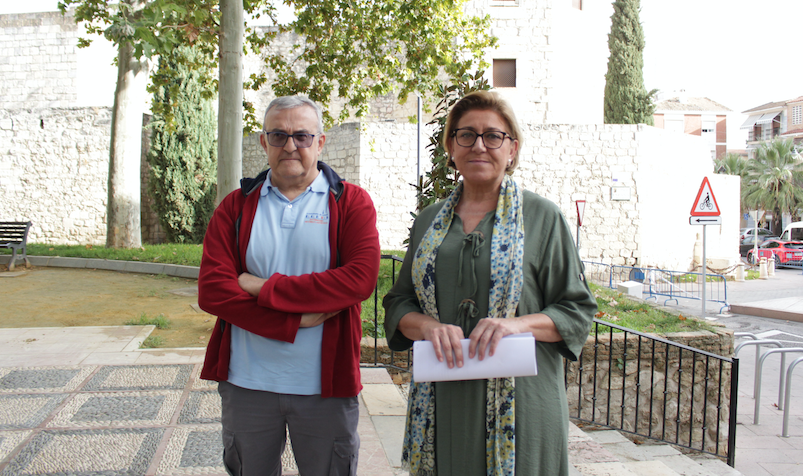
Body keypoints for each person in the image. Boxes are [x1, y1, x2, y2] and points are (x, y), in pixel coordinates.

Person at [383, 90, 597, 475]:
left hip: (522, 407)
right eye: (466, 135)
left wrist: (515, 325)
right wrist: (429, 326)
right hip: (442, 404)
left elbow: (576, 309)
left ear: (512, 148)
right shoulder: (428, 222)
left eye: (493, 136)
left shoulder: (543, 217)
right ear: (451, 147)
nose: (479, 145)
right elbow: (400, 304)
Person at [199, 95, 381, 476]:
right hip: (247, 383)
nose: (290, 146)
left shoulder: (351, 204)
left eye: (302, 136)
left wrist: (260, 288)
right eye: (278, 136)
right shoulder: (235, 207)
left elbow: (359, 279)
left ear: (320, 142)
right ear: (263, 143)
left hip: (324, 387)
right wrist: (293, 322)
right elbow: (214, 290)